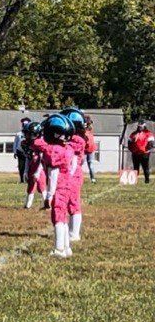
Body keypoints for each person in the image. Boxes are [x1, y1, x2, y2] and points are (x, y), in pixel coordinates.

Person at [38, 114, 77, 258]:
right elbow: (73, 165)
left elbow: (53, 174)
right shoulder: (68, 148)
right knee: (64, 216)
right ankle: (67, 247)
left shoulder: (53, 150)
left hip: (59, 186)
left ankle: (59, 249)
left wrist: (49, 195)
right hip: (68, 183)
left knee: (58, 216)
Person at [61, 108, 88, 242]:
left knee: (73, 202)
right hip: (67, 172)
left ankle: (74, 233)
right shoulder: (71, 139)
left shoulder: (77, 140)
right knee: (66, 202)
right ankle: (70, 231)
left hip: (73, 174)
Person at [22, 122, 48, 209]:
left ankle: (47, 204)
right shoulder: (26, 143)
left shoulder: (39, 143)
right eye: (26, 133)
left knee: (41, 187)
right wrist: (25, 171)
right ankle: (27, 205)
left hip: (39, 168)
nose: (27, 136)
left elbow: (42, 158)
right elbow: (28, 158)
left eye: (29, 134)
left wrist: (38, 171)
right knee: (30, 186)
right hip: (31, 167)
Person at [14, 118, 31, 183]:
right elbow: (15, 143)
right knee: (21, 166)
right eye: (24, 124)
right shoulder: (18, 134)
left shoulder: (30, 133)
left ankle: (28, 179)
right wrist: (15, 152)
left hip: (28, 152)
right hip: (20, 152)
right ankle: (21, 179)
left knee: (28, 166)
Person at [83, 116, 98, 183]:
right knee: (81, 163)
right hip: (85, 149)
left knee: (90, 164)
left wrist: (88, 121)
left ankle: (93, 178)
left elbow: (90, 124)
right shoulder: (84, 130)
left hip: (90, 149)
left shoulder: (89, 130)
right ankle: (78, 177)